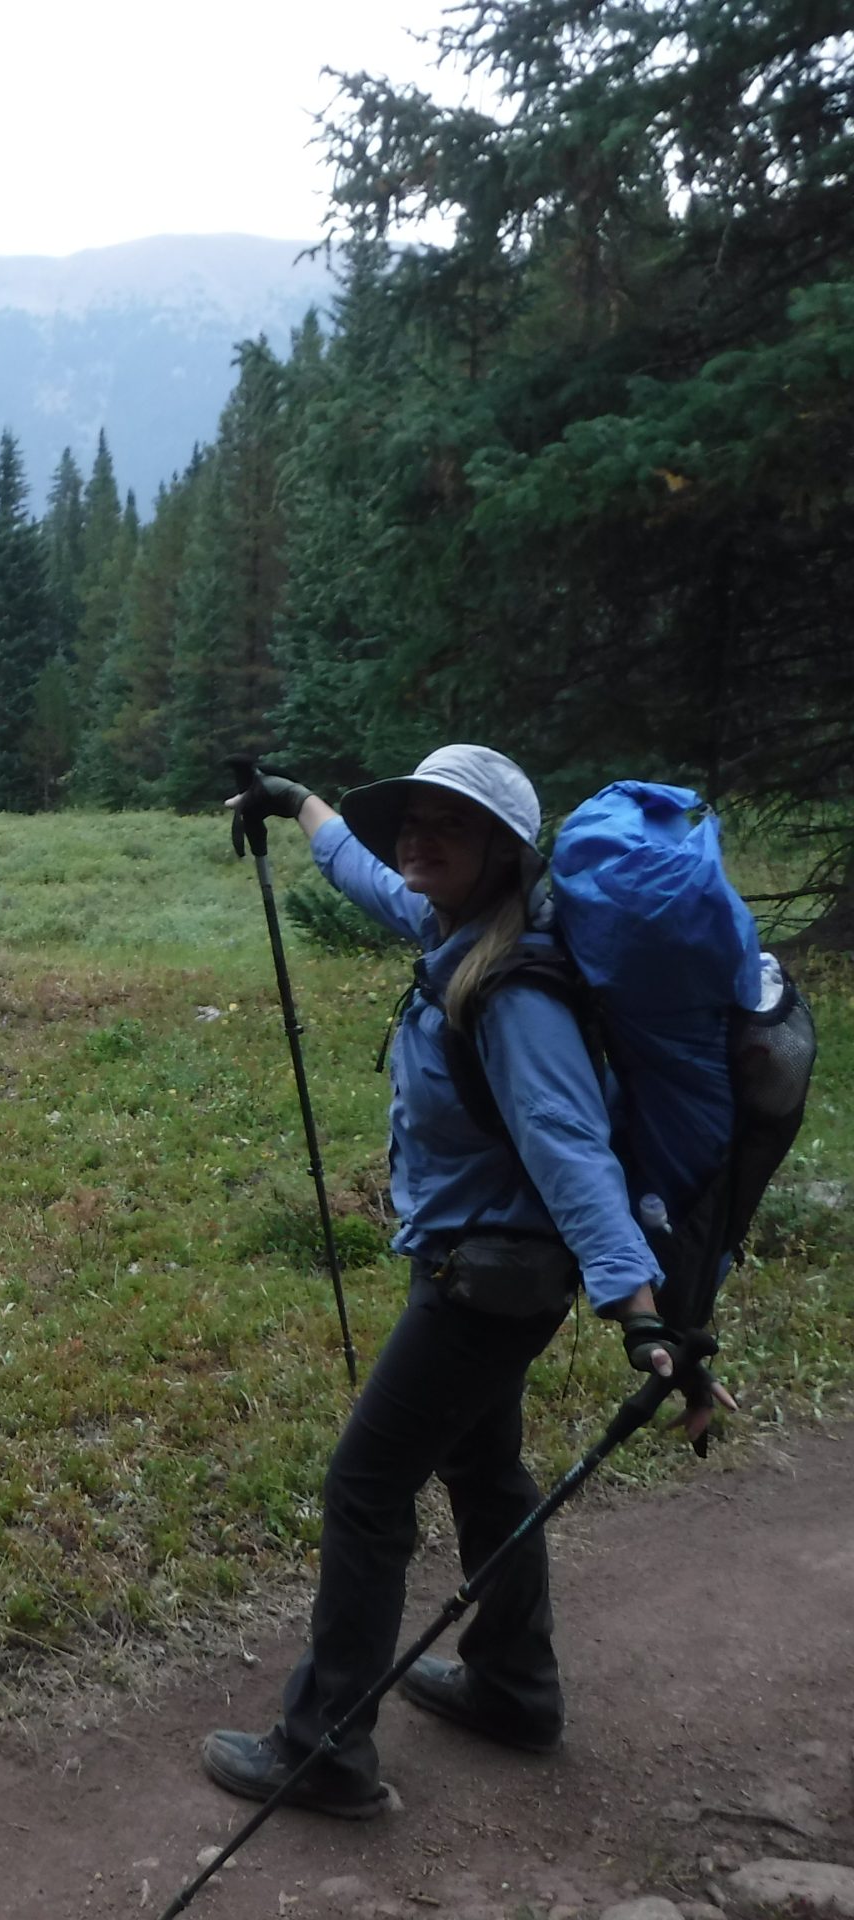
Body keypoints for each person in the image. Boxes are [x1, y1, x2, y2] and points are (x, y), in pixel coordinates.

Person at [201, 746, 729, 1819]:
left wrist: (642, 1317)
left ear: (504, 852)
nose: (416, 838)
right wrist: (292, 801)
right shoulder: (456, 932)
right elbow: (365, 873)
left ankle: (325, 1747)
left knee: (365, 1485)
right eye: (409, 818)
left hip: (482, 1286)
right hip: (487, 1276)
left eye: (447, 823)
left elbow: (572, 1152)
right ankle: (513, 1687)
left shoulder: (513, 993)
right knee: (483, 1473)